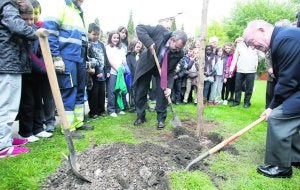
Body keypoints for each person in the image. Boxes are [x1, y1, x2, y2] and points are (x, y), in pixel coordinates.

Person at [243, 19, 300, 178]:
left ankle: (281, 167)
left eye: (252, 42)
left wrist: (272, 107)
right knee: (285, 113)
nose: (253, 46)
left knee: (277, 117)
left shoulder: (285, 40)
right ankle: (296, 158)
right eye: (249, 45)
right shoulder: (281, 39)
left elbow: (288, 80)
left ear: (261, 30)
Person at [42, 0, 93, 139]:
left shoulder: (76, 11)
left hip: (79, 57)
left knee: (79, 90)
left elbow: (82, 38)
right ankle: (68, 128)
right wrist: (56, 57)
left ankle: (78, 122)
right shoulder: (60, 6)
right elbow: (50, 31)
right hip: (67, 56)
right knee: (69, 89)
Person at [0, 0, 36, 158]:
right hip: (8, 62)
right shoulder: (6, 4)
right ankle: (3, 146)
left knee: (9, 105)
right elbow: (16, 24)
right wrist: (36, 33)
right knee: (7, 106)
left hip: (11, 63)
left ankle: (5, 139)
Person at [133, 24, 187, 129]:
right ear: (172, 39)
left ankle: (161, 120)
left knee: (163, 93)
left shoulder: (179, 53)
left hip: (162, 70)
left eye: (179, 49)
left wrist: (169, 87)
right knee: (140, 91)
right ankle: (140, 116)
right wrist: (149, 43)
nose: (177, 50)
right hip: (147, 65)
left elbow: (171, 71)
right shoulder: (159, 31)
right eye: (176, 47)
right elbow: (139, 28)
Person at [18, 0, 53, 142]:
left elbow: (39, 52)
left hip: (37, 73)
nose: (29, 22)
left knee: (38, 101)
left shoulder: (35, 31)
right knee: (28, 103)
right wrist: (44, 68)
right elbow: (29, 55)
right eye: (25, 19)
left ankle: (38, 128)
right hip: (26, 72)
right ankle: (25, 132)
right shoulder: (21, 32)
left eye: (31, 18)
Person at [229, 37, 264, 108]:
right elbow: (235, 58)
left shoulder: (255, 45)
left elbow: (262, 56)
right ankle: (236, 101)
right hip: (240, 69)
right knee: (237, 87)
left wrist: (255, 60)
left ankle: (247, 102)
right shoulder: (240, 45)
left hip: (251, 70)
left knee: (249, 88)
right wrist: (231, 69)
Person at [86, 23, 109, 119]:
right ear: (89, 33)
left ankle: (102, 110)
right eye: (93, 34)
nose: (96, 36)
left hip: (102, 72)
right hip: (93, 73)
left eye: (97, 34)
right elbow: (90, 58)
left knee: (102, 92)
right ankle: (93, 112)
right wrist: (97, 71)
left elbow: (105, 57)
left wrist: (107, 69)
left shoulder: (101, 45)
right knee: (93, 93)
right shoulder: (88, 45)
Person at [105, 30, 127, 117]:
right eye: (114, 37)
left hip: (120, 73)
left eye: (117, 38)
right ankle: (111, 110)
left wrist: (124, 67)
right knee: (112, 91)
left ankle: (118, 109)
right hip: (112, 72)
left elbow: (123, 60)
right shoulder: (108, 48)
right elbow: (109, 60)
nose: (116, 39)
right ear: (110, 38)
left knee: (119, 90)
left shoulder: (121, 48)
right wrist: (117, 69)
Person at [126, 40, 143, 112]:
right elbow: (129, 67)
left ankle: (139, 106)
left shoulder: (140, 55)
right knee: (133, 92)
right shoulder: (129, 56)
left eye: (140, 47)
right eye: (137, 47)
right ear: (132, 47)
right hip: (132, 77)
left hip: (139, 77)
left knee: (139, 92)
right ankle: (133, 106)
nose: (139, 48)